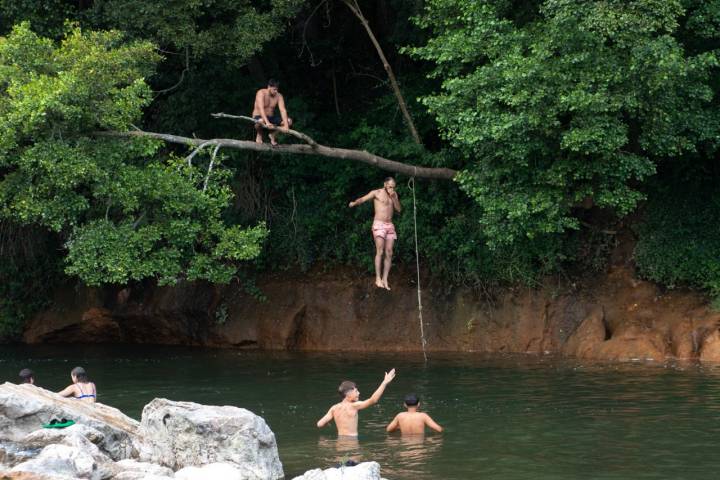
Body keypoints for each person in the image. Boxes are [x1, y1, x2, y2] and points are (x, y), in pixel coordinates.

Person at [348, 177, 401, 290]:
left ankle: (385, 279)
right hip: (379, 224)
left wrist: (394, 198)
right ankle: (378, 278)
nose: (392, 188)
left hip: (389, 225)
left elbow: (399, 209)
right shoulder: (376, 192)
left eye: (393, 187)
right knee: (380, 251)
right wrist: (354, 203)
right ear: (385, 184)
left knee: (389, 252)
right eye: (390, 186)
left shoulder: (394, 195)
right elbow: (363, 199)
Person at [316, 368, 396, 436]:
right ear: (348, 394)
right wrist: (384, 383)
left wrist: (327, 422)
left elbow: (319, 424)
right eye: (356, 391)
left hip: (340, 442)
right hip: (352, 442)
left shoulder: (334, 408)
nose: (359, 393)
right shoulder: (354, 406)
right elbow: (373, 400)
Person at [252, 78, 292, 146]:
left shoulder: (279, 96)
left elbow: (283, 110)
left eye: (277, 89)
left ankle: (273, 135)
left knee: (288, 121)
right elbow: (261, 108)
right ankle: (259, 134)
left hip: (271, 117)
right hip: (259, 116)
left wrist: (286, 126)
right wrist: (267, 122)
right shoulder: (261, 93)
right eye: (274, 89)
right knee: (260, 121)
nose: (276, 91)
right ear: (269, 87)